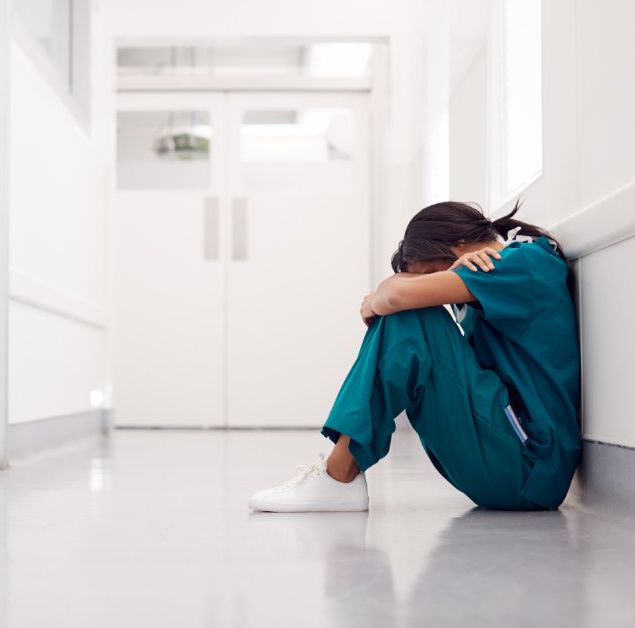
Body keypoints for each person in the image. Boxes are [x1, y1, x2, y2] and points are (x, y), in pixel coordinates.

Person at [247, 200, 581, 512]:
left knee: (411, 315)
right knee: (409, 315)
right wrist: (392, 294)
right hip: (511, 458)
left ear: (460, 244)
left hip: (528, 464)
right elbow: (392, 296)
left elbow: (392, 299)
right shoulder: (502, 267)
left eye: (430, 273)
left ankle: (339, 475)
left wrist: (381, 296)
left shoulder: (517, 264)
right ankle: (339, 474)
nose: (433, 283)